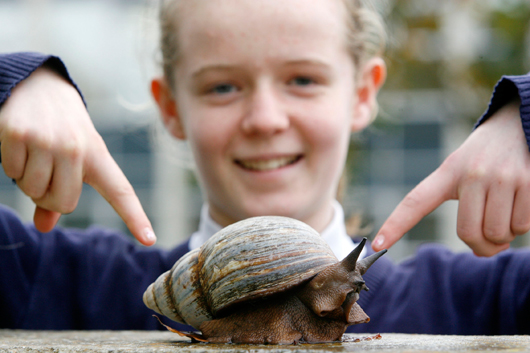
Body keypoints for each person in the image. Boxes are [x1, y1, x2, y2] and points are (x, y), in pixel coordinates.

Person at [0, 0, 529, 334]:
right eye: (222, 87)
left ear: (363, 93)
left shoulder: (477, 298)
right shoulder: (61, 280)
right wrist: (16, 83)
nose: (264, 119)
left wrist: (522, 116)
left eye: (303, 80)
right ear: (170, 108)